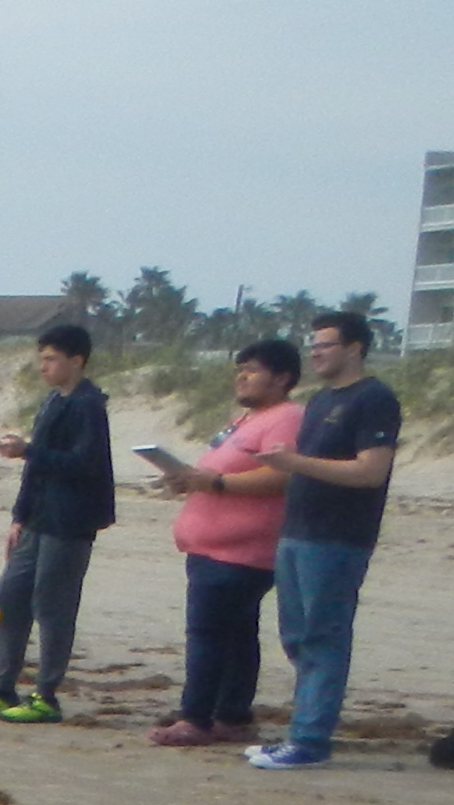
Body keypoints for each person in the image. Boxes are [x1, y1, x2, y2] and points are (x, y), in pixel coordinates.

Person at [246, 311, 406, 768]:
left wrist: (295, 463)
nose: (315, 352)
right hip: (298, 532)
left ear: (354, 347)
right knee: (297, 637)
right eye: (313, 344)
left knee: (323, 636)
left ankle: (311, 740)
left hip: (338, 538)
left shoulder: (374, 398)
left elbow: (370, 470)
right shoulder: (318, 401)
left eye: (326, 344)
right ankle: (302, 731)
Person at [0, 321, 114, 721]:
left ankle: (46, 695)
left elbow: (85, 464)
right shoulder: (53, 401)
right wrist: (18, 516)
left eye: (51, 359)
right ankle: (2, 687)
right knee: (6, 599)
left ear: (76, 361)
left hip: (70, 522)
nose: (43, 366)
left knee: (53, 606)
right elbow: (37, 467)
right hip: (38, 518)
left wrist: (29, 451)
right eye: (41, 358)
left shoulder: (88, 404)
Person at [152, 336, 302, 745]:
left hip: (240, 551)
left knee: (208, 632)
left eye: (252, 370)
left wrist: (216, 481)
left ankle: (196, 716)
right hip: (213, 549)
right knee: (235, 634)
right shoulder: (247, 420)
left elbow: (283, 475)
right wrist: (190, 480)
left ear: (282, 378)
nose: (242, 377)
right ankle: (232, 714)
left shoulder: (286, 417)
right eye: (240, 369)